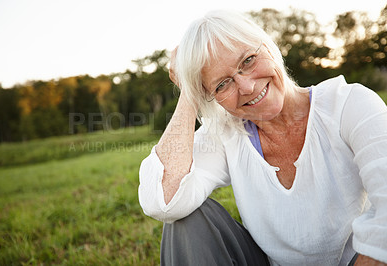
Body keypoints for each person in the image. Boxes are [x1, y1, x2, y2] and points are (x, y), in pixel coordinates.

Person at [138, 10, 387, 266]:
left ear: (268, 46)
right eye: (222, 84)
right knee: (185, 221)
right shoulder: (227, 132)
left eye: (248, 60)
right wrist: (189, 91)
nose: (246, 87)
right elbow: (164, 201)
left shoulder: (349, 104)